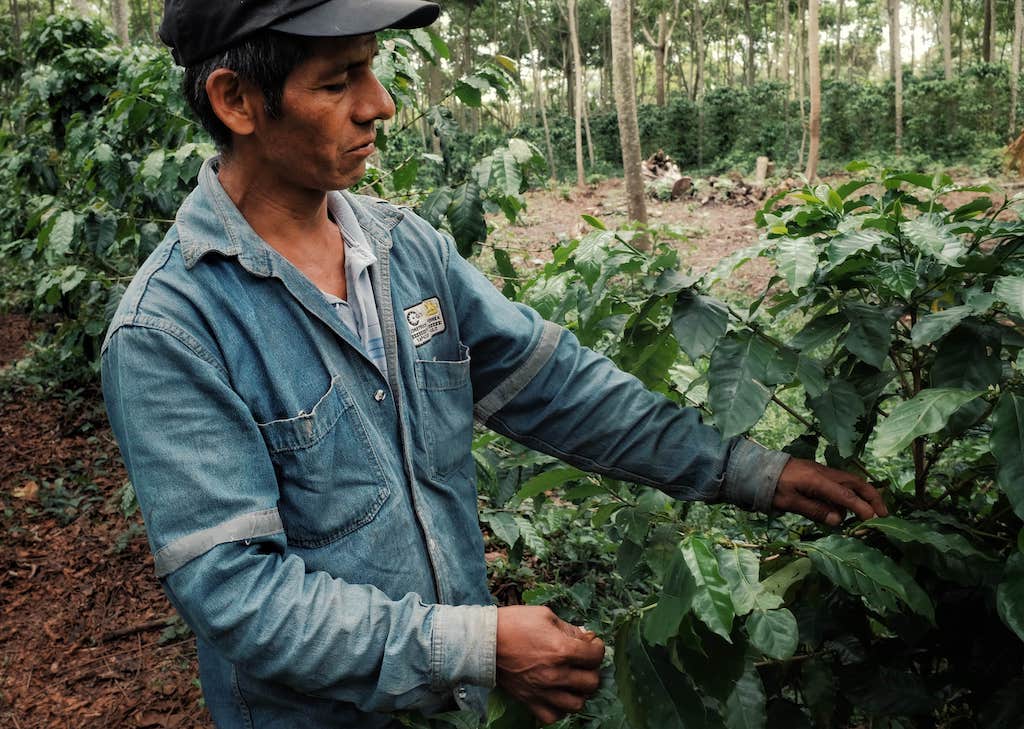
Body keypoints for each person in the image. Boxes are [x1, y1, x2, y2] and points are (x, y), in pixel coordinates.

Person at [100, 1, 888, 726]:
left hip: (448, 707)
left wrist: (747, 469)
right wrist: (476, 646)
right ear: (237, 101)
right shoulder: (170, 331)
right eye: (339, 81)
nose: (379, 103)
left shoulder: (406, 249)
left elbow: (553, 386)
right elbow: (238, 592)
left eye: (372, 69)